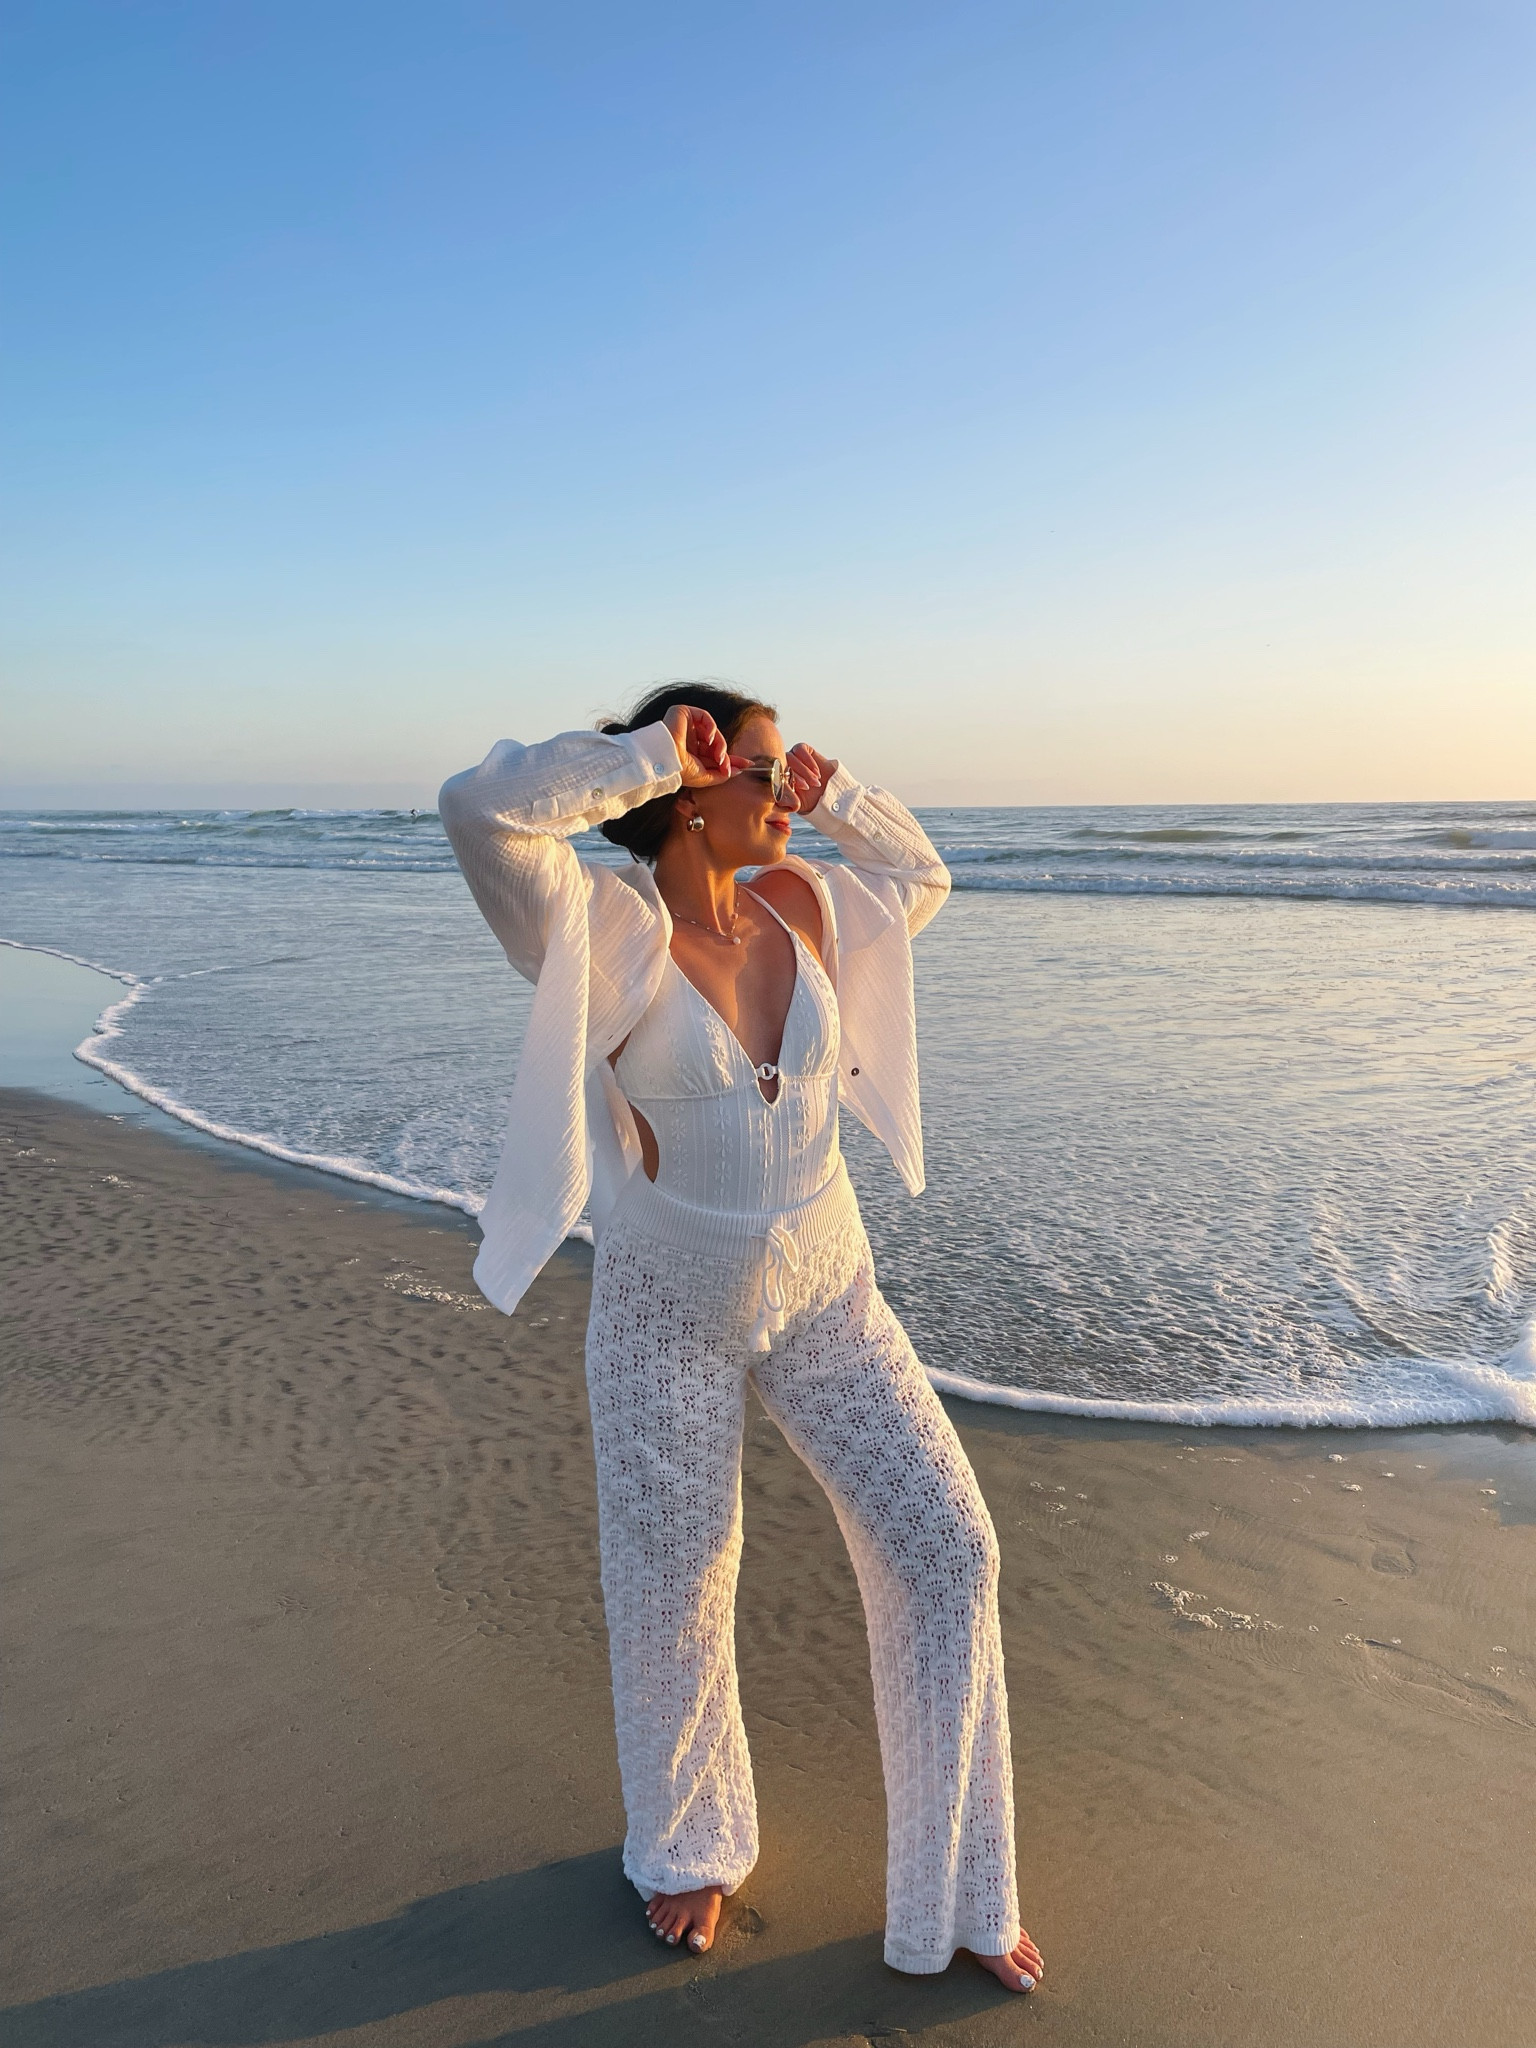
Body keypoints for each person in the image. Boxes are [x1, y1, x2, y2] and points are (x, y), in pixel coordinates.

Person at [439, 684, 1043, 1993]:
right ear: (689, 790)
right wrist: (645, 753)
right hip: (667, 1300)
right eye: (758, 769)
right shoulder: (599, 928)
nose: (781, 789)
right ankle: (690, 1847)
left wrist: (843, 801)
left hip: (830, 1290)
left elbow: (921, 874)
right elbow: (480, 812)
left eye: (782, 769)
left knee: (950, 1547)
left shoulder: (815, 904)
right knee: (676, 1588)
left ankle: (964, 1889)